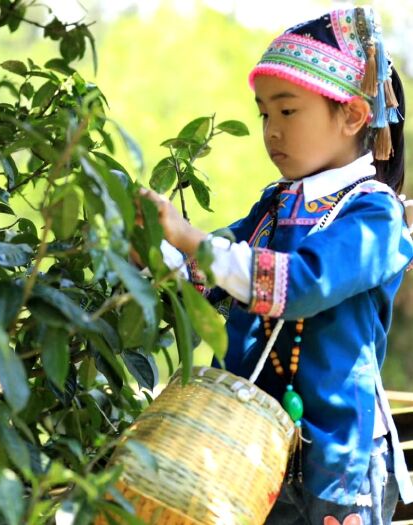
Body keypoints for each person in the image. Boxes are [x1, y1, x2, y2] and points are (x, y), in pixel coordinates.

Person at [139, 5, 413, 525]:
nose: (271, 130)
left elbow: (303, 284)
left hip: (338, 460)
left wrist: (190, 240)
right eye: (264, 113)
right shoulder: (276, 203)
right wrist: (158, 252)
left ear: (353, 115)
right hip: (244, 444)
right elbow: (211, 276)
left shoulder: (376, 215)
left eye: (288, 112)